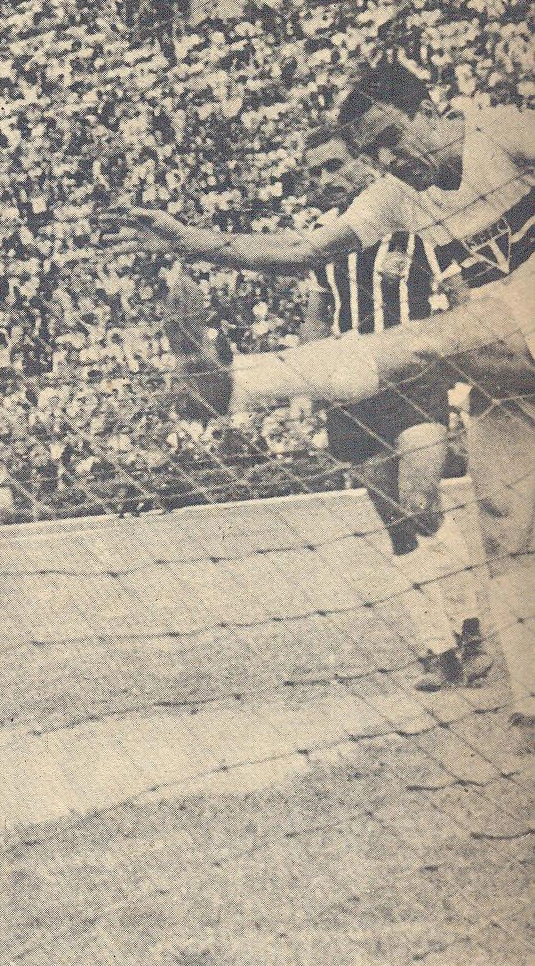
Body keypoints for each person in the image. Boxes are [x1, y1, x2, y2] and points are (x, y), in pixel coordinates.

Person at [112, 60, 535, 743]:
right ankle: (529, 705)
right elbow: (304, 249)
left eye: (391, 139)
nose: (388, 160)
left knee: (421, 343)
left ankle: (236, 382)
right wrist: (191, 241)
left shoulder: (506, 137)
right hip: (506, 371)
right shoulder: (397, 195)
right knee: (504, 530)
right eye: (371, 153)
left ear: (428, 109)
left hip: (502, 328)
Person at [296, 132, 485, 690]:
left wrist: (468, 367)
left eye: (332, 166)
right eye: (316, 173)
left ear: (358, 161)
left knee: (421, 501)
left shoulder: (415, 224)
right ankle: (437, 648)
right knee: (397, 526)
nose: (325, 180)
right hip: (355, 391)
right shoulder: (326, 248)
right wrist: (314, 373)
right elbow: (315, 318)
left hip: (415, 381)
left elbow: (462, 300)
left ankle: (470, 629)